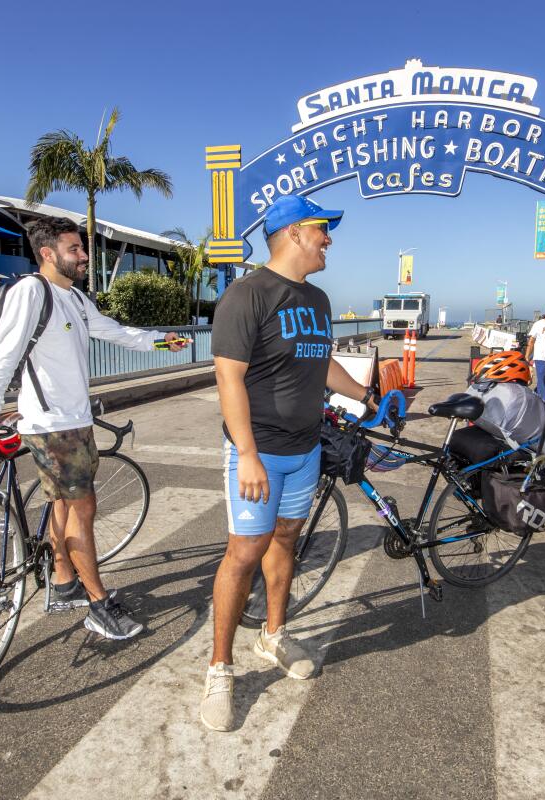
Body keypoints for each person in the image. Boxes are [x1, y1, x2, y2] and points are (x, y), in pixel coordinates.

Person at [0, 216, 187, 640]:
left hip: (74, 422)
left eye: (82, 249)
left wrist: (161, 340)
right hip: (52, 426)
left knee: (64, 507)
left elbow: (115, 333)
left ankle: (64, 582)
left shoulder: (76, 300)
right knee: (82, 510)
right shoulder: (32, 291)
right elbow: (4, 352)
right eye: (74, 249)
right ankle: (99, 604)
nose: (84, 256)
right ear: (48, 254)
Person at [201, 195, 376, 732]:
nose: (329, 240)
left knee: (285, 541)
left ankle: (273, 635)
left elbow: (320, 364)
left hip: (305, 452)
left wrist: (364, 397)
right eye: (323, 230)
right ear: (295, 232)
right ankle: (219, 670)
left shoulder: (319, 301)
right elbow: (228, 378)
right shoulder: (245, 294)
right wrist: (247, 454)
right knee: (244, 551)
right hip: (258, 453)